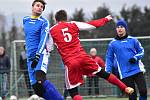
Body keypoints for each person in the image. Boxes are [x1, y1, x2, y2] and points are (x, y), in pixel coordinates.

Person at [49, 10, 134, 100]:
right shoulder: (73, 24)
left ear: (56, 20)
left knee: (73, 91)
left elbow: (49, 48)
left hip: (70, 62)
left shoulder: (52, 30)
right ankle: (125, 87)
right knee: (103, 73)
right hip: (83, 57)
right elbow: (92, 25)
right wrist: (105, 19)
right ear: (66, 18)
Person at [23, 0, 63, 99]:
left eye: (42, 7)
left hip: (40, 55)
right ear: (32, 7)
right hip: (30, 57)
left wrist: (37, 55)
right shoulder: (25, 19)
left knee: (40, 78)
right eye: (38, 5)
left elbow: (43, 39)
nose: (40, 7)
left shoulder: (44, 22)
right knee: (36, 87)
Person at [105, 19, 147, 100]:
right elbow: (109, 58)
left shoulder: (133, 40)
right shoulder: (112, 44)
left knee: (143, 91)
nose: (119, 29)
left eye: (122, 27)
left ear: (125, 28)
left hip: (137, 70)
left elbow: (141, 51)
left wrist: (135, 58)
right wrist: (108, 71)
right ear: (116, 29)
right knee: (132, 96)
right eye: (118, 27)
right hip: (125, 73)